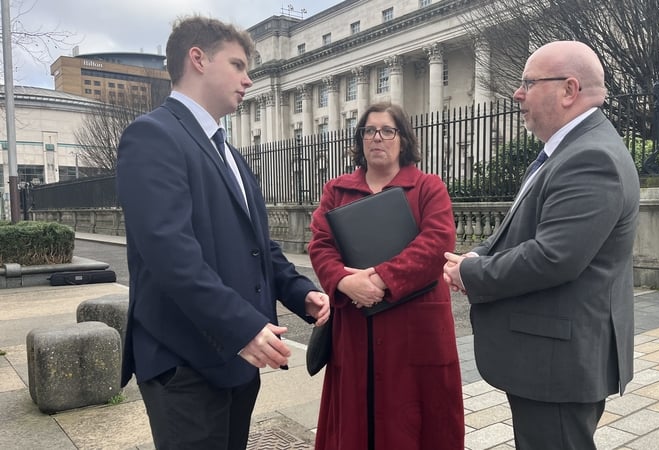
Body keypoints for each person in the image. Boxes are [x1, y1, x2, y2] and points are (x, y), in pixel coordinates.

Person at [116, 16, 330, 449]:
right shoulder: (152, 135)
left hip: (235, 362)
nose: (248, 79)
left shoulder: (228, 150)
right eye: (237, 65)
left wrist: (300, 292)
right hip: (184, 364)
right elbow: (171, 254)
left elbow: (257, 244)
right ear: (198, 59)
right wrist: (243, 327)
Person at [443, 41, 640, 449]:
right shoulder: (568, 150)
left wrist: (471, 272)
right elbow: (522, 227)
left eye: (529, 83)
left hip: (558, 363)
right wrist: (479, 253)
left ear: (569, 90)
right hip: (553, 356)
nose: (518, 94)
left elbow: (553, 257)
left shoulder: (591, 157)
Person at [307, 102, 464, 450]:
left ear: (402, 139)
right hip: (356, 329)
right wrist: (345, 282)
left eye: (387, 130)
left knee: (417, 422)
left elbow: (437, 242)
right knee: (357, 420)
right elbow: (320, 245)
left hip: (416, 329)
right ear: (360, 139)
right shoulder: (337, 190)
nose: (377, 138)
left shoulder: (428, 187)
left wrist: (379, 280)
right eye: (369, 130)